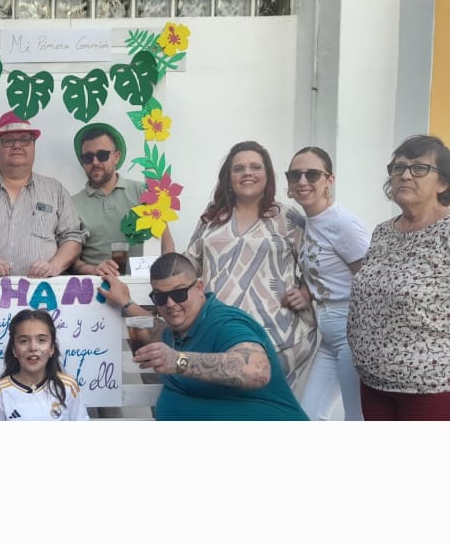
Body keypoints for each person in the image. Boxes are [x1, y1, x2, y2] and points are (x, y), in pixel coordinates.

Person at [99, 252, 308, 421]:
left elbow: (256, 371)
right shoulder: (174, 330)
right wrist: (126, 303)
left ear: (199, 288)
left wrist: (177, 361)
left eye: (179, 293)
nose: (170, 304)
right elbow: (157, 328)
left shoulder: (225, 322)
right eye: (160, 297)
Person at [180, 140, 316, 390]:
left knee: (265, 408)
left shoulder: (286, 217)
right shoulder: (213, 217)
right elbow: (189, 265)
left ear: (267, 175)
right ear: (228, 177)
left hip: (277, 337)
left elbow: (316, 265)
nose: (247, 173)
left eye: (255, 167)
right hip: (218, 331)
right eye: (239, 168)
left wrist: (306, 293)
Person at [347, 134, 450, 420]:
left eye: (419, 168)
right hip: (373, 382)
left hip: (430, 388)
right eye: (399, 167)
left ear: (443, 183)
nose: (405, 175)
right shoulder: (383, 231)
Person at [282, 147, 369, 421]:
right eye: (295, 175)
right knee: (309, 415)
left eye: (312, 174)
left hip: (350, 333)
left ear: (329, 180)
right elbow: (323, 272)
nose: (302, 181)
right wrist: (307, 292)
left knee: (355, 416)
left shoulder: (343, 223)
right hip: (328, 336)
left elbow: (370, 280)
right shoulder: (305, 222)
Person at [0, 112, 85, 277]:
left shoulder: (55, 190)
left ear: (33, 146)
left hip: (43, 289)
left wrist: (54, 266)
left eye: (24, 139)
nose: (16, 145)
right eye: (8, 140)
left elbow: (73, 237)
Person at [70, 122, 172, 274]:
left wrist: (167, 278)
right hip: (96, 285)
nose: (95, 162)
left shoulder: (144, 192)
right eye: (88, 157)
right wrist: (93, 269)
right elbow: (70, 259)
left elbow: (166, 244)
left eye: (102, 155)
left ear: (116, 157)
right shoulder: (72, 204)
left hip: (146, 283)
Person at [0, 309, 89, 420]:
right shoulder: (0, 392)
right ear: (14, 350)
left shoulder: (68, 387)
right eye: (24, 341)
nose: (33, 348)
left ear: (51, 349)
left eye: (41, 340)